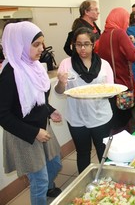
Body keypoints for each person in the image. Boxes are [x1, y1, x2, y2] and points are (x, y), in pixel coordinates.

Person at [0, 21, 62, 204]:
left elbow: (36, 99)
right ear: (20, 44)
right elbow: (3, 115)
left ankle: (48, 189)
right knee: (39, 180)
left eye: (42, 43)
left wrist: (49, 111)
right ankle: (42, 192)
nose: (42, 48)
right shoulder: (10, 74)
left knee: (55, 163)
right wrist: (34, 133)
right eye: (36, 45)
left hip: (41, 126)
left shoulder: (34, 66)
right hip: (23, 133)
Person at [55, 27, 113, 174]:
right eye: (78, 44)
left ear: (93, 44)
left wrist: (103, 91)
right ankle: (85, 184)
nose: (82, 48)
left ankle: (105, 181)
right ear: (73, 45)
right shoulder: (66, 64)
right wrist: (61, 82)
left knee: (103, 152)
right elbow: (59, 91)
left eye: (86, 44)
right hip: (76, 118)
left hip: (101, 117)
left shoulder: (104, 65)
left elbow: (111, 92)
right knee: (82, 153)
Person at [98, 7, 135, 133]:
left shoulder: (104, 35)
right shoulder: (119, 33)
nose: (127, 24)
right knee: (126, 120)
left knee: (116, 120)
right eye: (126, 20)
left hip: (109, 85)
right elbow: (133, 55)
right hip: (122, 84)